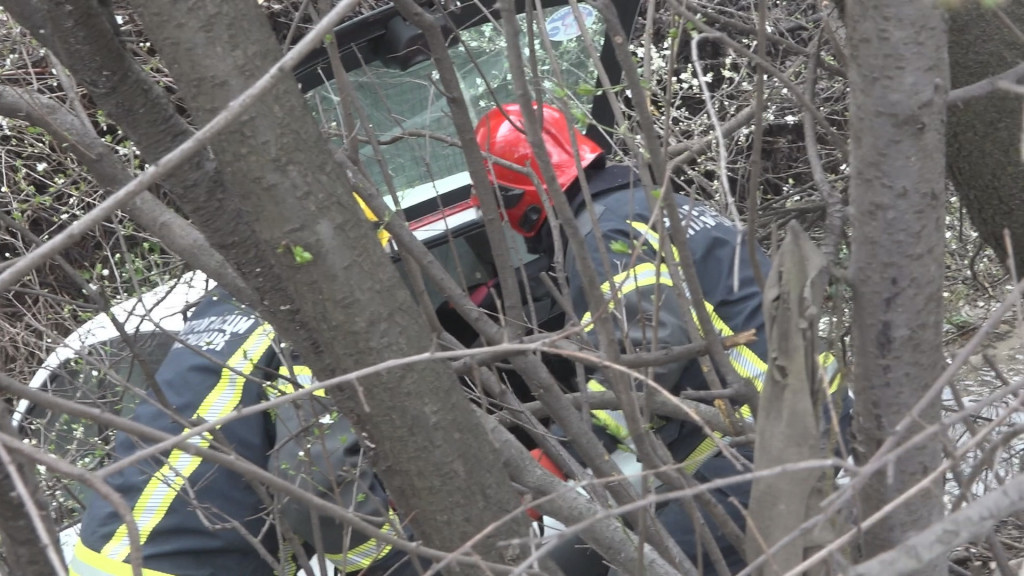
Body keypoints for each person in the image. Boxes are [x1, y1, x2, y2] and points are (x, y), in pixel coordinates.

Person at [473, 102, 851, 573]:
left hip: (765, 436)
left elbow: (645, 360)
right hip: (809, 412)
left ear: (512, 197)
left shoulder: (598, 234)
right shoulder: (649, 204)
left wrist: (559, 456)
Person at [68, 286, 409, 576]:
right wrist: (402, 561)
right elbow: (316, 481)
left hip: (117, 555)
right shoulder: (306, 318)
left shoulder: (225, 302)